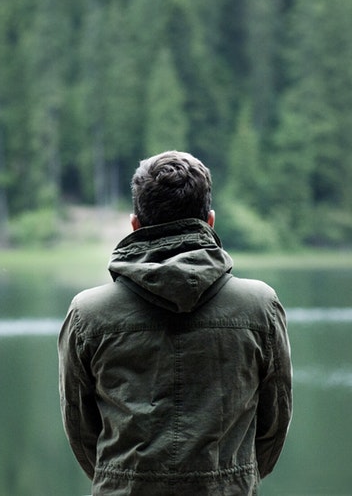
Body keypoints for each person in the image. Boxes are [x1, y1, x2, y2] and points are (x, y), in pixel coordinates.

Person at [58, 150, 292, 495]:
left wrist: (124, 479)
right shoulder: (260, 306)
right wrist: (233, 479)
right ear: (210, 221)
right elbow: (274, 423)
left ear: (135, 225)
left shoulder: (88, 313)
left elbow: (80, 428)